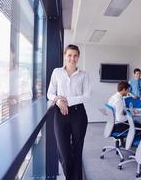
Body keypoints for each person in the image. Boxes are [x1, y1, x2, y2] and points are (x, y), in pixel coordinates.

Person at [47, 44, 91, 180]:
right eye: (69, 55)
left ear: (78, 57)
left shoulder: (84, 75)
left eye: (75, 55)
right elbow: (50, 92)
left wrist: (67, 100)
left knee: (77, 152)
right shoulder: (57, 72)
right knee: (64, 154)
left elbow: (87, 96)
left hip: (78, 114)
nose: (72, 58)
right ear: (64, 56)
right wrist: (59, 101)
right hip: (60, 114)